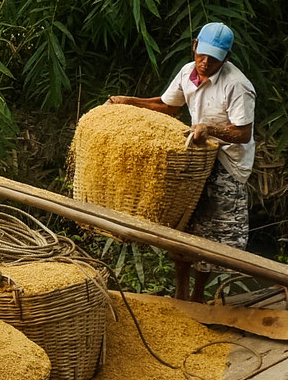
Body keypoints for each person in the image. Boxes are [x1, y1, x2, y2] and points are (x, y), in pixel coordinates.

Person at [108, 22, 257, 301]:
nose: (205, 62)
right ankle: (180, 292)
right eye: (202, 54)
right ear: (195, 46)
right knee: (183, 223)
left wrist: (210, 129)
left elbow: (242, 133)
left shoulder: (237, 85)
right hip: (196, 157)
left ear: (227, 57)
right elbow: (168, 106)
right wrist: (129, 101)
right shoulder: (188, 72)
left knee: (210, 232)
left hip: (227, 163)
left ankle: (198, 295)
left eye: (214, 59)